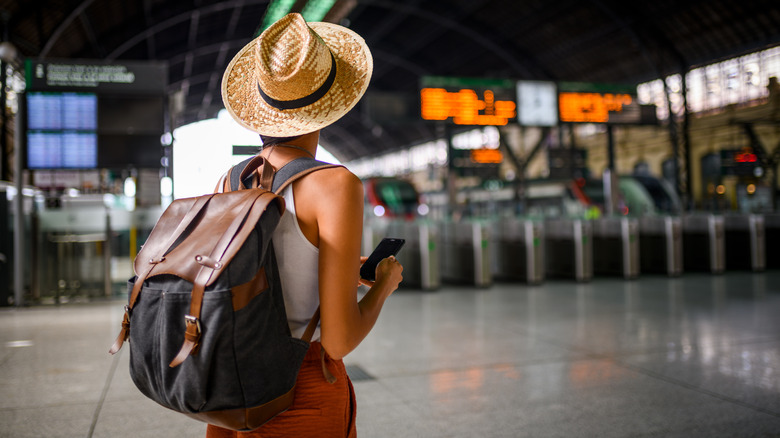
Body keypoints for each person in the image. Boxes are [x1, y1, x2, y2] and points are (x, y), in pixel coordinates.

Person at [206, 12, 403, 438]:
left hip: (227, 389)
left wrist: (344, 272)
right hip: (299, 392)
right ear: (328, 108)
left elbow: (260, 274)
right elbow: (337, 341)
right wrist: (384, 285)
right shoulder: (335, 184)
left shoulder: (230, 179)